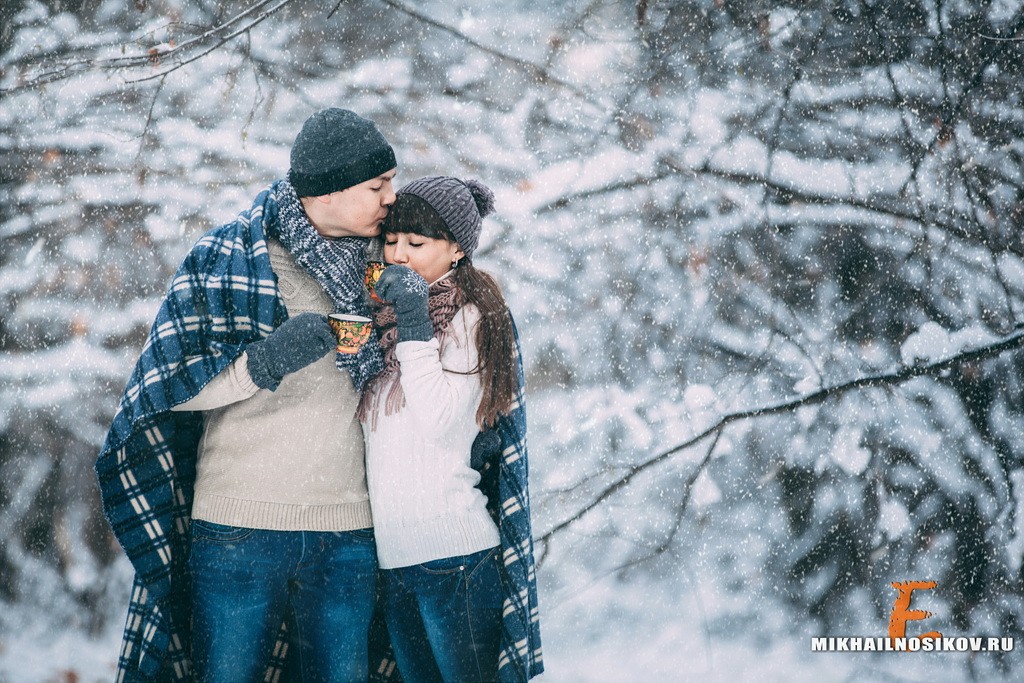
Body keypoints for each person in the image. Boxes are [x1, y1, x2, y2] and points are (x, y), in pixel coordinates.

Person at [96, 108, 397, 682]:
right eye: (377, 185)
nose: (392, 197)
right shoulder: (228, 259)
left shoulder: (396, 268)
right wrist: (261, 363)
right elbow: (164, 391)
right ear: (328, 194)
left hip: (351, 534)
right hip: (237, 533)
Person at [358, 176, 544, 682]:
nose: (398, 254)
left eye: (416, 244)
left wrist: (415, 317)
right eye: (391, 241)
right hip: (395, 560)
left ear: (457, 248)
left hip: (455, 558)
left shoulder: (470, 318)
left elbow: (440, 421)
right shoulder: (379, 322)